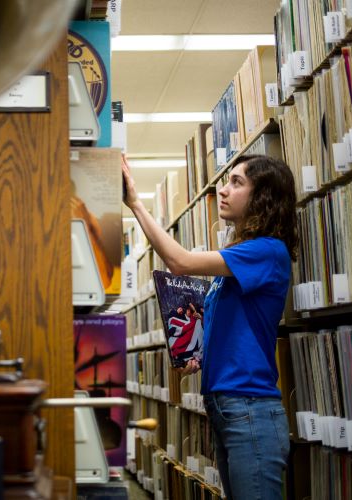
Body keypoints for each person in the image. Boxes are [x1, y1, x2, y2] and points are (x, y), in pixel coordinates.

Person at [122, 154, 298, 500]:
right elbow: (233, 328)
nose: (224, 190)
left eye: (237, 182)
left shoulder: (267, 251)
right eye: (226, 181)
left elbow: (181, 262)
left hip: (249, 408)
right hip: (225, 407)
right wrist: (197, 356)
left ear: (262, 196)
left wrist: (135, 205)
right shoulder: (240, 256)